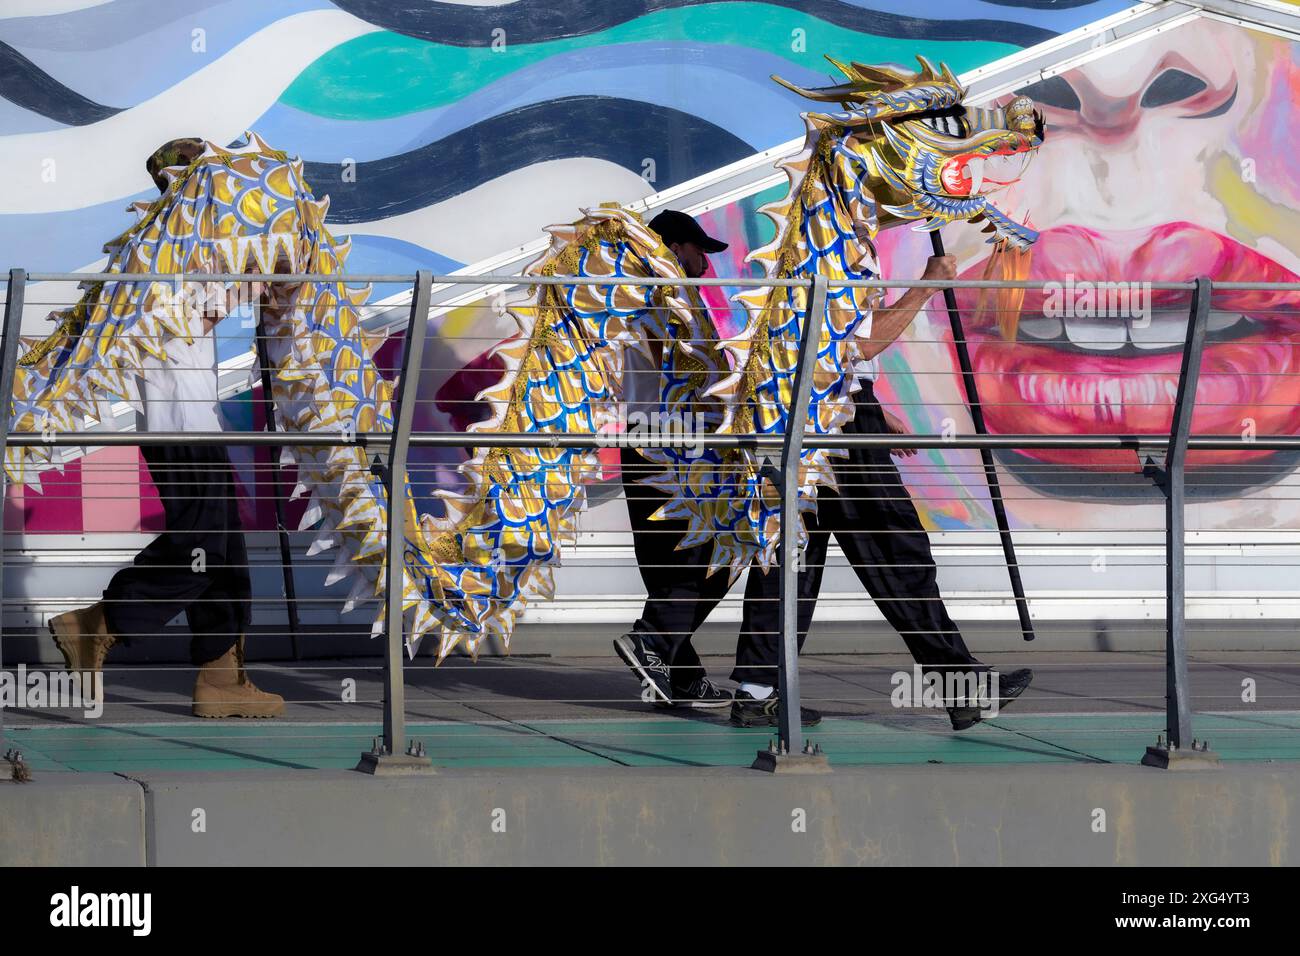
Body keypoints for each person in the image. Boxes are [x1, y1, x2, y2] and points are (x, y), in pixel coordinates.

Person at [727, 254, 1034, 731]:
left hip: (824, 413)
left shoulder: (827, 242)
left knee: (794, 559)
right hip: (835, 426)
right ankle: (961, 684)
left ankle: (757, 690)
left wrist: (869, 405)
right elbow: (862, 342)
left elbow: (843, 356)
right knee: (895, 549)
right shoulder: (832, 246)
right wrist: (927, 285)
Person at [46, 138, 285, 718]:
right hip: (179, 429)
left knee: (224, 550)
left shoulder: (181, 244)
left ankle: (221, 679)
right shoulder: (161, 251)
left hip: (196, 423)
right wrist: (255, 278)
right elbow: (196, 308)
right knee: (201, 542)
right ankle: (98, 622)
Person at [611, 210, 734, 709]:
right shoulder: (666, 299)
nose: (704, 260)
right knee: (712, 558)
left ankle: (677, 671)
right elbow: (693, 377)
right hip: (674, 446)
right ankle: (654, 641)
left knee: (673, 567)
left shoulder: (641, 297)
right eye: (697, 248)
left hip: (648, 441)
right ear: (675, 248)